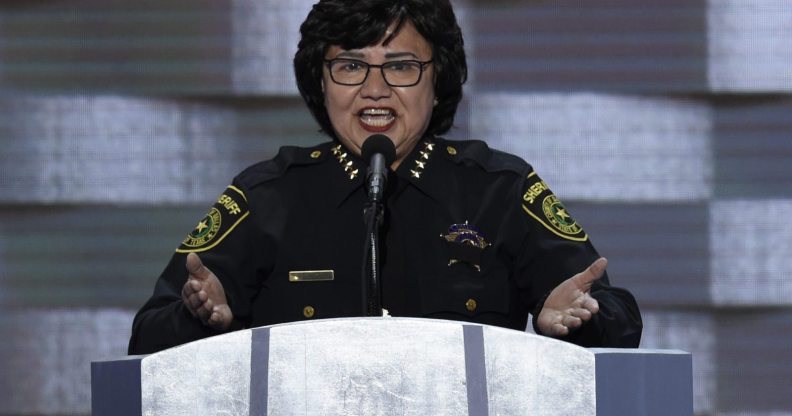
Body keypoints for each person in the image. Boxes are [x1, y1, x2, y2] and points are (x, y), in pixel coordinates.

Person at [128, 0, 642, 355]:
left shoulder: (500, 189)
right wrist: (198, 318)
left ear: (437, 78)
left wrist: (581, 321)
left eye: (400, 67)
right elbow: (147, 335)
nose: (375, 90)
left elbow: (620, 317)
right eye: (350, 67)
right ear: (320, 81)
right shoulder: (267, 195)